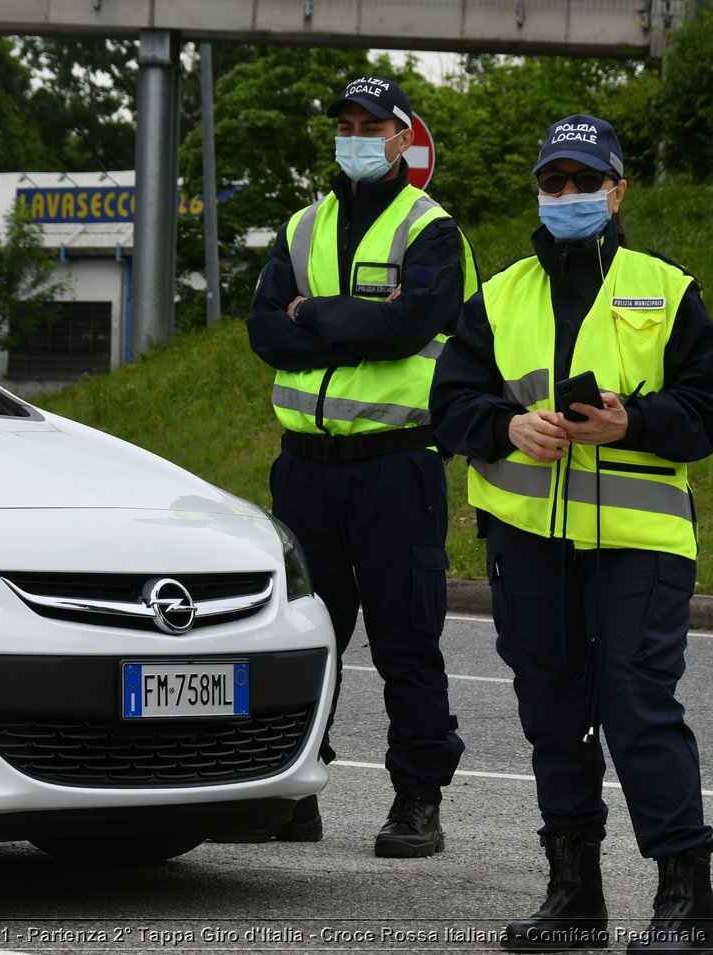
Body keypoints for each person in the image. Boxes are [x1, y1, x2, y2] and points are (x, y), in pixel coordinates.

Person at [430, 114, 713, 952]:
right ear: (538, 190)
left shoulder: (666, 288)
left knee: (635, 704)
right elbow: (449, 405)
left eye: (584, 180)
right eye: (553, 182)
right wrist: (503, 427)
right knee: (553, 713)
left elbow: (706, 413)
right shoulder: (497, 295)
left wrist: (632, 420)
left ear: (618, 189)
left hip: (641, 539)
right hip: (529, 538)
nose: (568, 195)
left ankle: (684, 902)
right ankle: (574, 897)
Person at [235, 75, 478, 857]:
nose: (355, 136)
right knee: (307, 636)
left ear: (405, 138)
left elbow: (409, 326)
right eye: (344, 123)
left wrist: (316, 315)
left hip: (394, 466)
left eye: (370, 125)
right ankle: (295, 785)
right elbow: (266, 331)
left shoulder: (433, 229)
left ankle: (417, 799)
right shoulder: (304, 225)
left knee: (406, 636)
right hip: (305, 468)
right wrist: (348, 323)